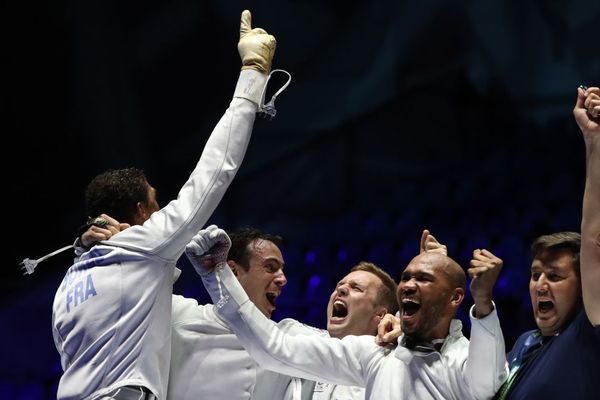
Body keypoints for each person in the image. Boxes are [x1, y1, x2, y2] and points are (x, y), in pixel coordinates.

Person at [51, 10, 278, 400]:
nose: (160, 214)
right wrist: (253, 75)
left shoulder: (68, 284)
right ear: (141, 212)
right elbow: (214, 173)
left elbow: (139, 313)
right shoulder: (142, 246)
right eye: (156, 206)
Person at [79, 222, 402, 400]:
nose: (283, 279)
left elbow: (353, 344)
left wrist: (397, 324)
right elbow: (114, 298)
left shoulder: (289, 335)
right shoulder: (178, 314)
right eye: (271, 268)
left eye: (283, 269)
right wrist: (92, 253)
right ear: (231, 271)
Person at [185, 225, 507, 400]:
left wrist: (482, 305)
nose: (408, 284)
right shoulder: (371, 355)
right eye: (406, 277)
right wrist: (218, 277)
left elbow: (484, 383)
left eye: (421, 279)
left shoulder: (461, 357)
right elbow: (273, 347)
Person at [493, 86, 600, 400]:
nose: (540, 284)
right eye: (535, 274)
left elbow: (594, 237)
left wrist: (594, 140)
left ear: (585, 286)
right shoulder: (525, 344)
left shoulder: (587, 332)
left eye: (554, 276)